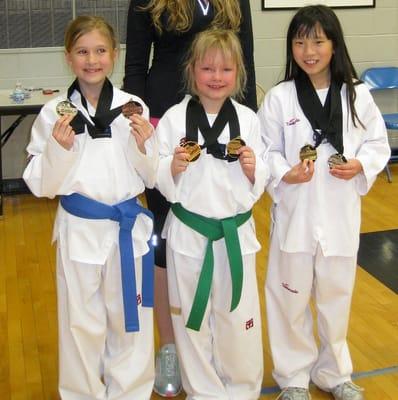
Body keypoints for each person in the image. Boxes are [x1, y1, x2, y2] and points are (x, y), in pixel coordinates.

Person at [123, 0, 257, 396]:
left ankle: (220, 349)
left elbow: (244, 54)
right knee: (169, 241)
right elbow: (135, 65)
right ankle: (171, 346)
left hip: (223, 120)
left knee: (215, 228)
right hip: (166, 118)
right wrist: (139, 129)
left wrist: (247, 127)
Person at [257, 5, 391, 400]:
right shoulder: (280, 97)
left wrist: (359, 165)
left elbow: (377, 144)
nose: (308, 50)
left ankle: (334, 373)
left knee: (336, 296)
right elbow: (264, 151)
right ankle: (294, 377)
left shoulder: (356, 94)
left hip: (339, 212)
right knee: (289, 298)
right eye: (299, 41)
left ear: (335, 44)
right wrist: (284, 173)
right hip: (295, 213)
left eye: (318, 40)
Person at [23, 15, 158, 400]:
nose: (92, 60)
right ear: (68, 57)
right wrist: (58, 150)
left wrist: (145, 144)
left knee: (129, 320)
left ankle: (130, 393)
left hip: (126, 228)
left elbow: (150, 176)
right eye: (82, 51)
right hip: (80, 229)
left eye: (100, 51)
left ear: (114, 55)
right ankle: (82, 394)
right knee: (80, 323)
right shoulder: (55, 113)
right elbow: (41, 184)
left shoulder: (134, 107)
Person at [154, 28, 270, 399]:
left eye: (226, 70)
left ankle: (241, 390)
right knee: (191, 319)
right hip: (189, 236)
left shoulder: (249, 119)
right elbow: (157, 175)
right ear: (191, 70)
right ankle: (204, 391)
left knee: (238, 318)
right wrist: (172, 167)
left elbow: (262, 175)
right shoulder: (173, 118)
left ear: (239, 73)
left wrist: (255, 171)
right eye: (207, 69)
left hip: (235, 236)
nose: (216, 78)